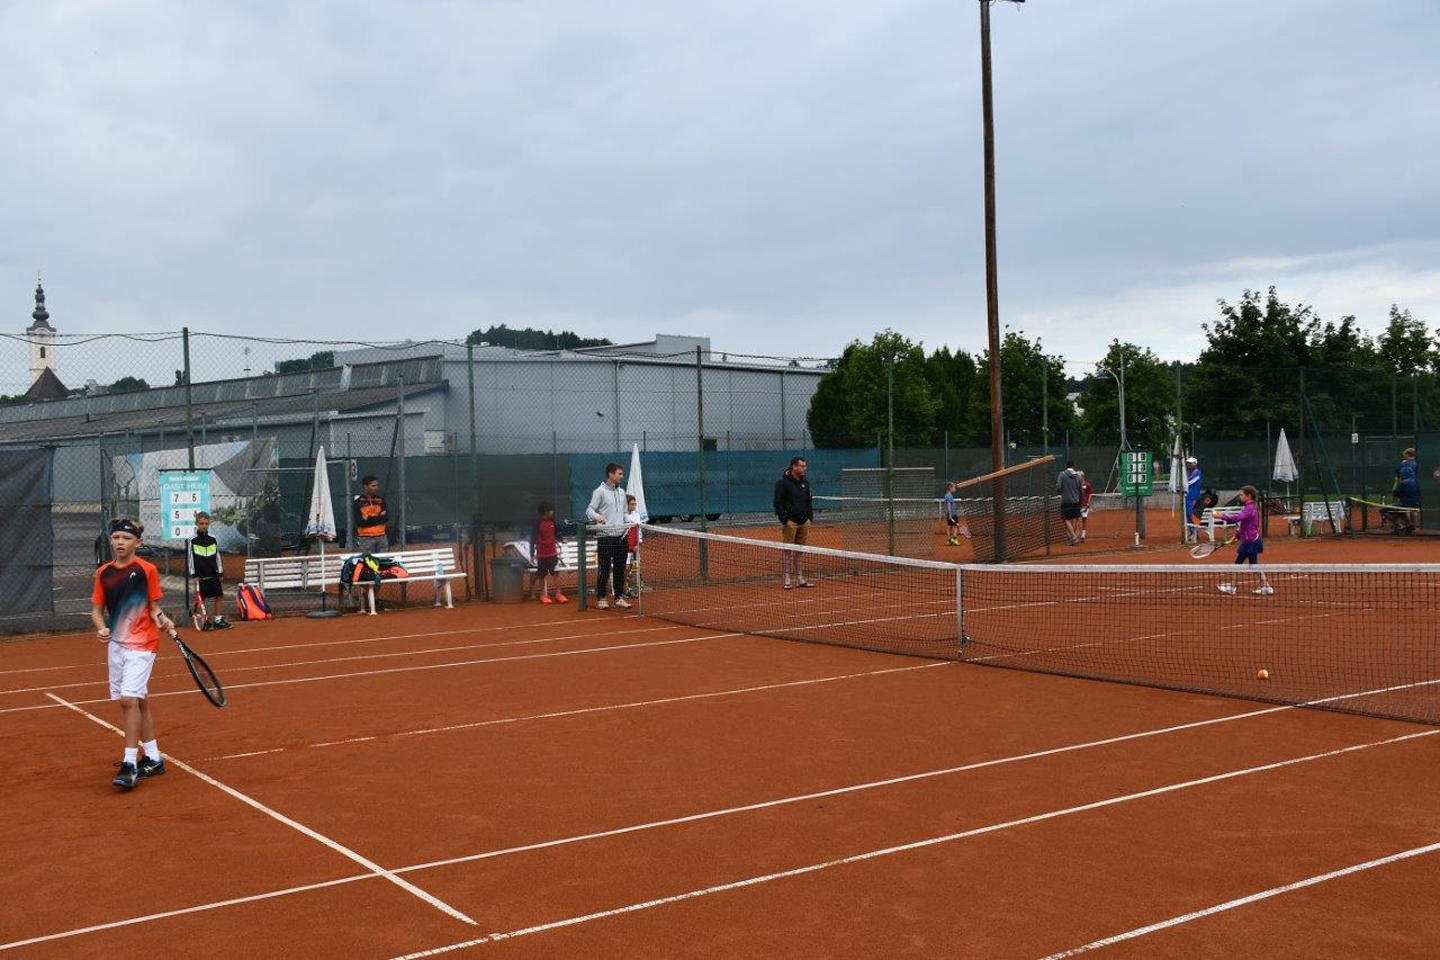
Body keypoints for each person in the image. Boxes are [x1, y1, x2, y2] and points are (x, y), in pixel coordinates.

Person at [91, 518, 174, 790]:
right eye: (116, 537)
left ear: (138, 542)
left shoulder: (147, 570)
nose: (120, 542)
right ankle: (153, 758)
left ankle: (129, 764)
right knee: (140, 702)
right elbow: (96, 611)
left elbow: (154, 608)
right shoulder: (103, 573)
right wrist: (101, 628)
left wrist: (163, 619)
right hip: (116, 645)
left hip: (143, 643)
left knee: (128, 700)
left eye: (126, 538)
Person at [585, 462, 629, 610]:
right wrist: (598, 517)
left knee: (620, 568)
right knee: (604, 568)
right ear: (610, 474)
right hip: (605, 536)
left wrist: (630, 521)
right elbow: (589, 510)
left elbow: (624, 513)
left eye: (622, 474)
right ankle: (602, 598)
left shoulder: (622, 492)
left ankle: (618, 598)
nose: (622, 476)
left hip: (621, 536)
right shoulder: (599, 491)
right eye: (619, 474)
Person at [1215, 486, 1271, 595]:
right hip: (1251, 540)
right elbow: (1245, 524)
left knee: (1238, 563)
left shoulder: (1249, 508)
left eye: (1241, 495)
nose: (1240, 496)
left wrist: (1221, 516)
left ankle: (1232, 587)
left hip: (1250, 542)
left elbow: (1237, 518)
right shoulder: (1250, 507)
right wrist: (1237, 536)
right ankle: (1266, 586)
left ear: (1248, 496)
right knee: (1254, 565)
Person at [773, 456, 814, 589]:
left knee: (800, 550)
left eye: (805, 466)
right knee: (788, 550)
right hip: (790, 522)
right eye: (802, 466)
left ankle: (800, 578)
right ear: (794, 467)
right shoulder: (782, 483)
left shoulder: (805, 483)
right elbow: (777, 502)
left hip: (804, 522)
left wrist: (809, 517)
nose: (804, 468)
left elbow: (808, 501)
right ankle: (787, 578)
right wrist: (785, 519)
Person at [187, 511, 230, 630]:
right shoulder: (192, 539)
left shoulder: (213, 538)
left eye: (206, 523)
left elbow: (217, 556)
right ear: (196, 524)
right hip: (200, 574)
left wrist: (220, 572)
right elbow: (190, 558)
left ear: (209, 523)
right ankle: (203, 621)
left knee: (219, 596)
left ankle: (218, 620)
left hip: (213, 573)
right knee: (202, 598)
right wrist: (194, 575)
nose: (204, 526)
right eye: (201, 523)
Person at [527, 501, 566, 604]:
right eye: (551, 510)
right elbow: (532, 539)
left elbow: (557, 533)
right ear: (546, 511)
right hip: (542, 555)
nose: (553, 511)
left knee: (556, 573)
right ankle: (543, 595)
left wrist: (562, 539)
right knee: (542, 575)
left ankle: (558, 594)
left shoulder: (553, 522)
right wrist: (532, 553)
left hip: (553, 553)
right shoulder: (537, 524)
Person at [352, 476, 390, 554]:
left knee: (383, 560)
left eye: (377, 485)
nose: (376, 488)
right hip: (365, 537)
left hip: (381, 536)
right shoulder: (358, 502)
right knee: (368, 560)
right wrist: (379, 517)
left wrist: (368, 518)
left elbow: (386, 518)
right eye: (373, 486)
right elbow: (360, 522)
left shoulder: (381, 500)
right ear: (365, 487)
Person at [1392, 447, 1421, 534]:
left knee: (1404, 506)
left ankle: (1408, 525)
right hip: (1415, 487)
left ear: (1408, 454)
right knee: (1414, 508)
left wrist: (1397, 486)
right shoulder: (1417, 463)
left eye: (1405, 454)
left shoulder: (1403, 463)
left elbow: (1398, 476)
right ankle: (1415, 527)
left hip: (1404, 487)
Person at [1057, 461, 1083, 546]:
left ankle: (1073, 537)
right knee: (1074, 518)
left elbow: (1058, 486)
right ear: (1074, 466)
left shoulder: (1062, 474)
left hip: (1066, 501)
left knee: (1066, 519)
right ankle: (1072, 537)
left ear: (1066, 466)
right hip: (1076, 501)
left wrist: (1062, 492)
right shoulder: (1078, 476)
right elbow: (1081, 490)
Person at [624, 494, 643, 598]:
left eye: (635, 504)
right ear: (626, 505)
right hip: (625, 547)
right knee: (626, 569)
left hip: (635, 547)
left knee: (634, 569)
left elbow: (639, 530)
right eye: (632, 504)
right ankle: (624, 589)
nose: (634, 506)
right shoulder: (622, 516)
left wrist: (638, 543)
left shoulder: (637, 515)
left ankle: (631, 589)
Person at [1184, 456, 1203, 540]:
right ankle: (1192, 532)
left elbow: (1189, 482)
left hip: (1194, 497)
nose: (1188, 465)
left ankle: (1194, 532)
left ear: (1195, 464)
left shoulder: (1197, 472)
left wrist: (1182, 484)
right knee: (1188, 515)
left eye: (1190, 463)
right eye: (1187, 463)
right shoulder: (1188, 473)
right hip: (1188, 497)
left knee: (1192, 514)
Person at [1078, 470, 1094, 543]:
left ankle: (1083, 535)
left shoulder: (1087, 485)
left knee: (1084, 520)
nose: (1078, 478)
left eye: (1079, 476)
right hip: (1077, 505)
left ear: (1082, 477)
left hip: (1084, 505)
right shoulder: (1076, 485)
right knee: (1076, 520)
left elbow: (1090, 494)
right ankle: (1077, 534)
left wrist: (1088, 504)